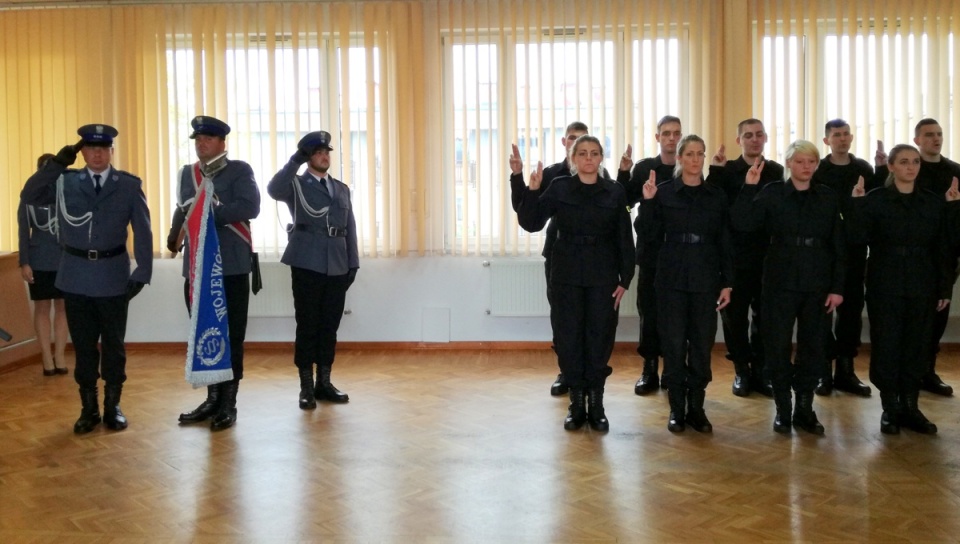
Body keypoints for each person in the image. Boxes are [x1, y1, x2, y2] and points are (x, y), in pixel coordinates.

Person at [20, 125, 153, 434]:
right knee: (82, 345)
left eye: (103, 148)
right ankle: (88, 409)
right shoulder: (65, 182)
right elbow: (30, 195)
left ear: (111, 152)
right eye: (90, 148)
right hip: (76, 276)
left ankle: (113, 406)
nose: (97, 153)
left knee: (114, 345)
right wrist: (57, 165)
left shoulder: (128, 186)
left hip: (113, 276)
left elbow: (143, 231)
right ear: (82, 152)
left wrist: (143, 271)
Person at [517, 135, 635, 432]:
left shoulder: (614, 191)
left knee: (599, 336)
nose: (588, 158)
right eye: (582, 153)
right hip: (567, 272)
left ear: (600, 158)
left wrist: (626, 278)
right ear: (573, 158)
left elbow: (624, 237)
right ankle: (576, 403)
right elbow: (531, 222)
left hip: (603, 274)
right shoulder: (559, 188)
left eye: (594, 153)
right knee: (568, 337)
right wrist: (532, 189)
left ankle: (596, 403)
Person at [731, 140, 844, 435]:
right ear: (789, 164)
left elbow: (838, 245)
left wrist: (837, 287)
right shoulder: (772, 193)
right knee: (777, 345)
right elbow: (743, 225)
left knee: (813, 345)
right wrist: (749, 187)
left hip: (817, 281)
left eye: (812, 162)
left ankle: (805, 409)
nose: (806, 167)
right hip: (779, 280)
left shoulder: (827, 197)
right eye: (800, 161)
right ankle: (783, 409)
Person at [848, 144, 959, 434]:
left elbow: (944, 249)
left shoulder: (933, 203)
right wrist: (857, 205)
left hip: (923, 281)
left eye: (915, 162)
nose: (911, 167)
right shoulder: (875, 200)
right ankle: (891, 408)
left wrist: (944, 288)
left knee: (917, 345)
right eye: (904, 162)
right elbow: (857, 239)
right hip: (885, 281)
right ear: (892, 167)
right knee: (887, 343)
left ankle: (911, 406)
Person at [638, 135, 733, 433]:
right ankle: (677, 408)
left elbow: (725, 242)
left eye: (699, 154)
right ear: (679, 158)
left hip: (705, 278)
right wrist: (647, 201)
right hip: (671, 279)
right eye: (689, 154)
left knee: (703, 345)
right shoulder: (664, 193)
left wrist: (727, 282)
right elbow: (647, 232)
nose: (695, 159)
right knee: (674, 344)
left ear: (704, 158)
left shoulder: (717, 196)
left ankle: (697, 408)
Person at [172, 116, 260, 431]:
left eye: (208, 139)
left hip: (231, 265)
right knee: (204, 333)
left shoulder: (239, 170)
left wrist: (207, 214)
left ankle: (229, 402)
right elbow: (184, 207)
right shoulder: (188, 174)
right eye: (198, 139)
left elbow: (250, 207)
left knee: (232, 336)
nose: (202, 144)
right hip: (197, 267)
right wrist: (174, 233)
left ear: (222, 143)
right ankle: (211, 398)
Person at [267, 131, 358, 409]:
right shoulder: (295, 184)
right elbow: (273, 189)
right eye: (318, 152)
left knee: (330, 325)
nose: (324, 156)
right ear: (309, 158)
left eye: (326, 152)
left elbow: (349, 228)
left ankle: (324, 383)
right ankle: (306, 386)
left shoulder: (341, 189)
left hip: (338, 264)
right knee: (307, 324)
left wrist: (352, 262)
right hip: (307, 262)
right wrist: (295, 160)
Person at [876, 118, 960, 397]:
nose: (936, 139)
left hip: (932, 264)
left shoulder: (954, 172)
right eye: (930, 134)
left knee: (926, 331)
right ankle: (893, 401)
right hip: (891, 270)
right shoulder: (888, 190)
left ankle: (924, 378)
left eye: (940, 134)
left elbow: (948, 234)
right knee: (892, 338)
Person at [709, 119, 785, 398]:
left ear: (765, 138)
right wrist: (715, 172)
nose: (755, 140)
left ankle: (761, 370)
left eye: (759, 135)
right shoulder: (727, 170)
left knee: (765, 317)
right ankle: (742, 370)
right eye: (748, 135)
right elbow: (717, 209)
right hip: (734, 255)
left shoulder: (776, 170)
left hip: (767, 254)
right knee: (735, 318)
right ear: (739, 139)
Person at [811, 119, 875, 397]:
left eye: (847, 134)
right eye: (837, 135)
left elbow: (873, 210)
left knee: (851, 312)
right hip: (823, 253)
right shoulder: (819, 170)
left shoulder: (863, 169)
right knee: (822, 312)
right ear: (827, 141)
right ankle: (823, 371)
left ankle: (846, 372)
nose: (843, 139)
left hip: (854, 250)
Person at [624, 115, 683, 396]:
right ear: (658, 137)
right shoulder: (646, 168)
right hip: (651, 254)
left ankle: (673, 369)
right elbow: (625, 203)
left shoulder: (690, 167)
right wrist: (624, 173)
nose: (672, 138)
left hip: (681, 255)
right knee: (649, 313)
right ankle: (649, 370)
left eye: (676, 133)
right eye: (667, 133)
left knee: (676, 316)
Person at [18, 153, 68, 377]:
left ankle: (60, 355)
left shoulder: (65, 195)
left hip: (64, 259)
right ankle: (46, 357)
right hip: (38, 259)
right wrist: (24, 262)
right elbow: (23, 232)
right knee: (41, 307)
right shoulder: (29, 198)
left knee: (63, 307)